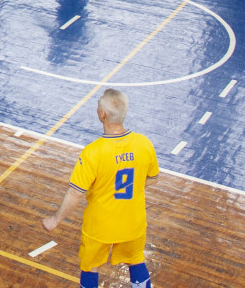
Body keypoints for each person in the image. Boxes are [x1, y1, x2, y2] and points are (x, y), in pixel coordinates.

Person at [42, 89, 158, 288]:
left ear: (102, 114)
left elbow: (75, 193)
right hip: (133, 222)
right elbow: (153, 179)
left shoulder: (92, 152)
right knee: (136, 260)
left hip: (99, 226)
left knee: (91, 267)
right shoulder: (143, 144)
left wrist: (55, 219)